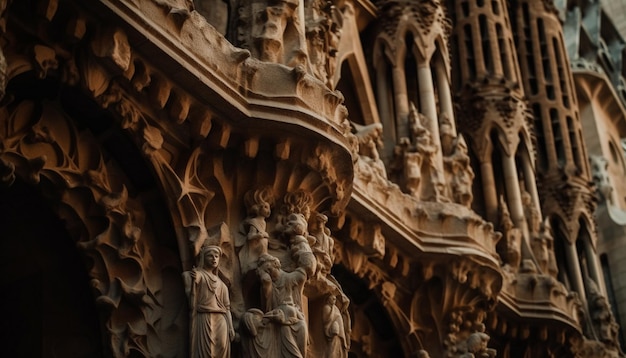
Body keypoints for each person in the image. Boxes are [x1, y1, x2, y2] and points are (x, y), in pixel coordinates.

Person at [183, 245, 235, 358]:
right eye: (210, 256)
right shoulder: (198, 275)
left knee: (221, 346)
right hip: (204, 317)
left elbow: (227, 308)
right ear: (203, 258)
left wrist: (231, 327)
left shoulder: (222, 285)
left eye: (216, 256)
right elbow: (190, 298)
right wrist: (194, 283)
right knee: (206, 352)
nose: (214, 259)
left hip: (221, 319)